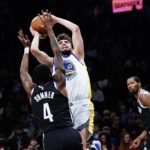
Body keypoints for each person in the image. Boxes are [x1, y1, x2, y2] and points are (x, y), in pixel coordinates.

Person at [30, 10, 94, 150]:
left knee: (81, 145)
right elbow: (34, 51)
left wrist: (54, 18)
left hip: (81, 104)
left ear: (71, 46)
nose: (64, 44)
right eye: (60, 43)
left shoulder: (78, 56)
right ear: (56, 47)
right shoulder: (52, 61)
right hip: (63, 107)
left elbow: (75, 29)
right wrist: (36, 34)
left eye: (66, 42)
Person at [18, 11, 82, 150]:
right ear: (51, 75)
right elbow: (57, 53)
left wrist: (26, 50)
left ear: (34, 79)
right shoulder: (58, 83)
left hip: (51, 136)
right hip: (69, 133)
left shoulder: (32, 91)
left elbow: (23, 73)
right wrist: (49, 29)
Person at [127, 76, 150, 149]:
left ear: (139, 84)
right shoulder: (139, 99)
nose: (130, 86)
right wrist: (140, 138)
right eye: (128, 84)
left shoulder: (143, 96)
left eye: (132, 83)